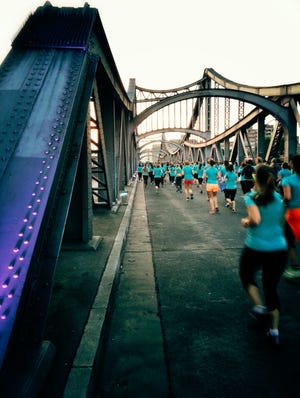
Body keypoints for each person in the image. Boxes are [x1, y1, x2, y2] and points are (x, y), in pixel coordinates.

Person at [239, 165, 288, 347]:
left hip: (256, 247)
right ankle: (274, 330)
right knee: (271, 288)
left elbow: (256, 220)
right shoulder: (279, 198)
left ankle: (259, 307)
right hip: (278, 248)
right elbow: (280, 221)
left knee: (246, 275)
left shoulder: (252, 197)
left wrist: (245, 221)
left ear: (256, 179)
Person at [281, 154, 300, 276]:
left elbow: (287, 197)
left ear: (292, 163)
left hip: (294, 212)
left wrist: (281, 203)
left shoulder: (287, 180)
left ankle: (295, 268)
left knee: (289, 239)